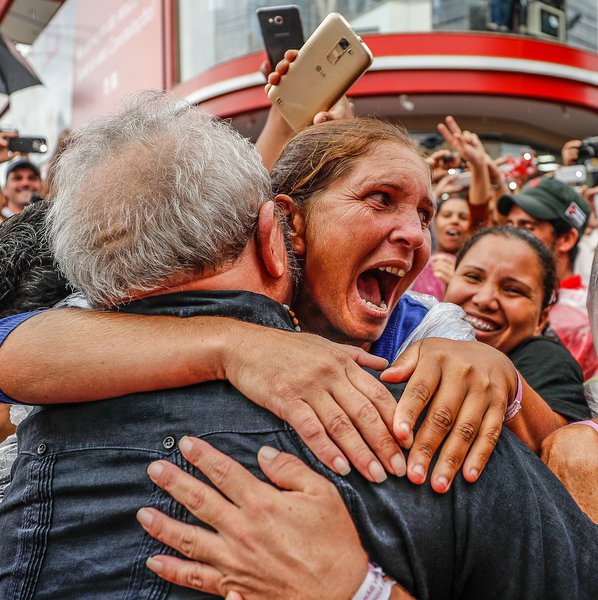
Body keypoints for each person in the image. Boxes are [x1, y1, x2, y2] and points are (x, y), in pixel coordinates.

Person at [1, 90, 597, 600]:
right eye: (379, 200)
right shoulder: (66, 360)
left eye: (426, 213)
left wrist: (509, 386)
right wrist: (233, 346)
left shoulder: (431, 389)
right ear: (282, 231)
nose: (414, 234)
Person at [444, 225, 591, 423]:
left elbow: (562, 439)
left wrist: (506, 381)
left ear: (541, 319)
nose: (484, 299)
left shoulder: (548, 358)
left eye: (513, 290)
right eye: (473, 277)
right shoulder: (413, 326)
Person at [497, 176, 598, 381]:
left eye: (527, 227)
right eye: (510, 224)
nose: (511, 236)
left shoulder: (582, 318)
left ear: (565, 240)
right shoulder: (489, 292)